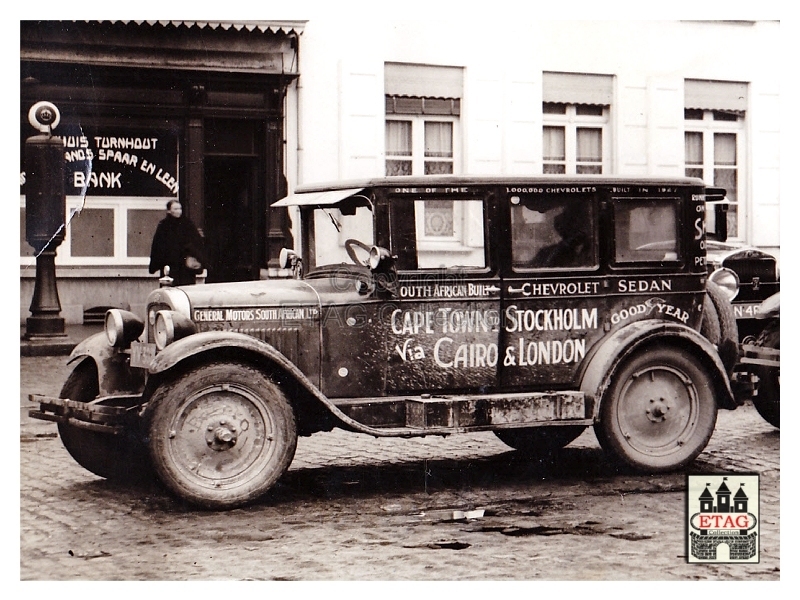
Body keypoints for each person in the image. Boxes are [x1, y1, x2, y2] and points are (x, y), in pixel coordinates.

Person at [149, 200, 205, 286]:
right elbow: (157, 246)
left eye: (180, 208)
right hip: (170, 266)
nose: (179, 211)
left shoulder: (187, 224)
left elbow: (196, 242)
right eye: (175, 209)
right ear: (169, 211)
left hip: (185, 267)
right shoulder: (164, 226)